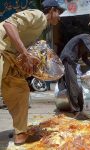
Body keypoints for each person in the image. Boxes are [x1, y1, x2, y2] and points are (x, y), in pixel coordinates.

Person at [0, 0, 63, 145]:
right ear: (52, 10)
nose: (59, 17)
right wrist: (25, 54)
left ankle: (21, 133)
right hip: (2, 51)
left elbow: (24, 49)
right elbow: (8, 25)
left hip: (9, 59)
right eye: (59, 12)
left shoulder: (40, 29)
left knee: (21, 91)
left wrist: (30, 63)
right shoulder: (38, 15)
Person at [58, 34, 90, 114]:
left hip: (73, 62)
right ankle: (75, 110)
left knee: (78, 86)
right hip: (68, 60)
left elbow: (84, 58)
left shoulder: (85, 45)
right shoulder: (86, 37)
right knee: (73, 85)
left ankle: (80, 108)